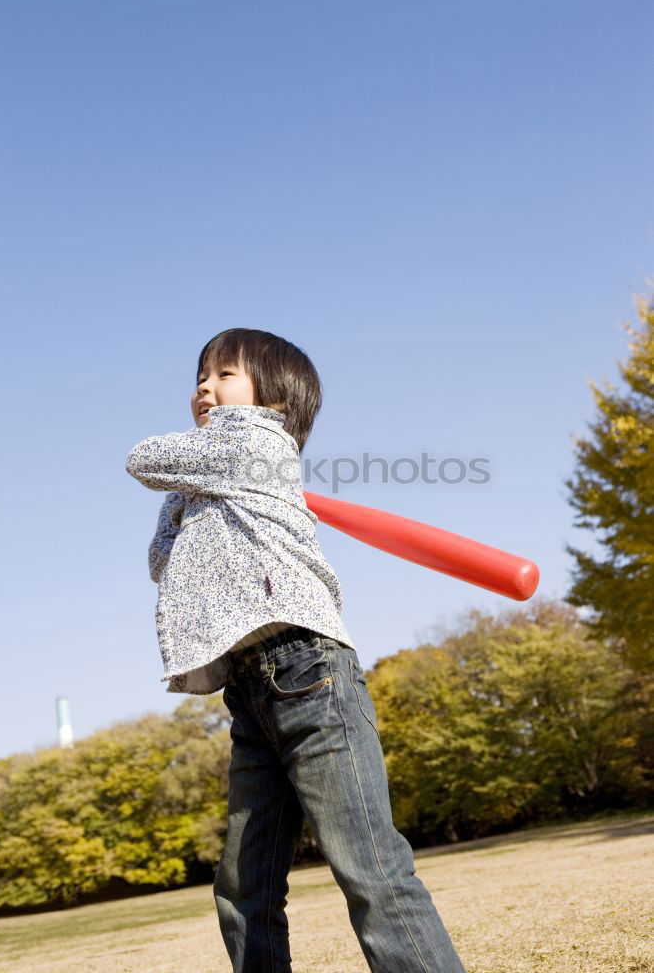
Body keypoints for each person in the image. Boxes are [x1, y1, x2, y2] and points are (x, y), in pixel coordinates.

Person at [126, 327, 466, 973]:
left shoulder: (254, 442)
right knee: (243, 889)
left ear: (274, 399)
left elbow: (142, 456)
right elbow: (158, 559)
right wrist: (191, 492)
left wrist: (192, 473)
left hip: (310, 674)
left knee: (372, 872)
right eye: (200, 378)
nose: (205, 387)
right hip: (251, 693)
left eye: (225, 375)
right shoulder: (213, 471)